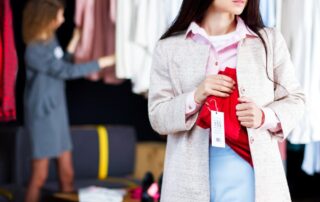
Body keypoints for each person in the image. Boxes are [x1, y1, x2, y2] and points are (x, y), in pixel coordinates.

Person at [148, 0, 305, 201]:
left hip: (252, 177)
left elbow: (296, 99)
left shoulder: (269, 41)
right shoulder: (169, 48)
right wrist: (195, 96)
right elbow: (157, 116)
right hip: (187, 180)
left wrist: (263, 116)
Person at [22, 0, 114, 201]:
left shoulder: (50, 39)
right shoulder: (33, 49)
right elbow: (64, 71)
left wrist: (73, 41)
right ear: (46, 18)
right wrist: (103, 62)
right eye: (60, 15)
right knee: (40, 176)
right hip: (42, 117)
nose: (62, 19)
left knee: (67, 174)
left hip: (57, 113)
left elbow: (60, 62)